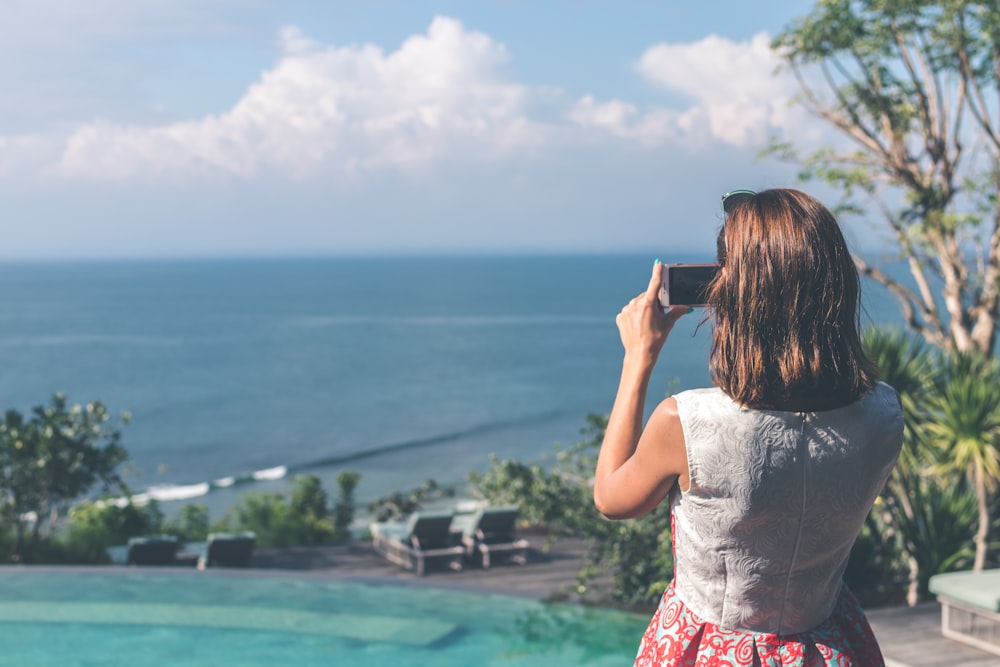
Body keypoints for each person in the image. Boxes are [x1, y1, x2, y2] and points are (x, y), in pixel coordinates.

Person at [594, 188, 904, 666]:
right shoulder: (883, 414)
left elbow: (611, 498)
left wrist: (639, 357)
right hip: (831, 644)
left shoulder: (689, 422)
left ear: (737, 299)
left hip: (705, 651)